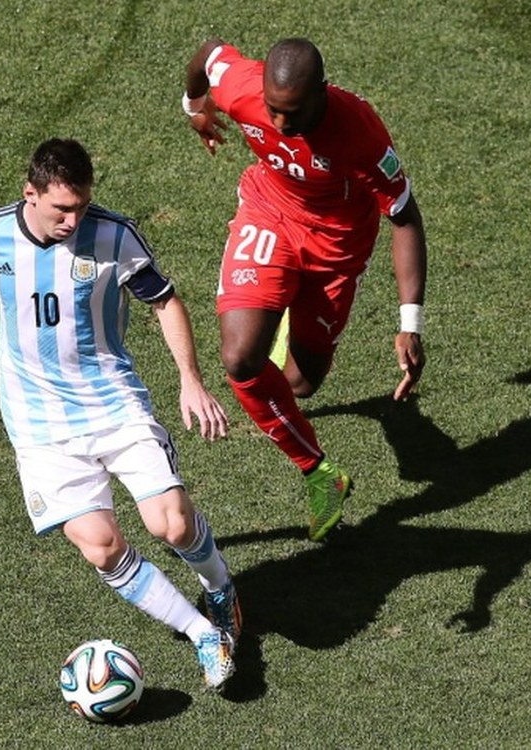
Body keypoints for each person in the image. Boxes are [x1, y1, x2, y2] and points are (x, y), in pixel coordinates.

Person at [0, 138, 241, 690]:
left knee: (171, 524)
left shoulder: (113, 236)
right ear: (30, 194)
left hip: (112, 404)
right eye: (62, 209)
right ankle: (203, 633)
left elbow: (164, 301)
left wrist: (190, 380)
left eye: (81, 206)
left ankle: (220, 586)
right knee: (102, 547)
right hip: (38, 424)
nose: (73, 220)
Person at [181, 37, 429, 541]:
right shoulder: (244, 88)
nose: (280, 123)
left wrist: (410, 322)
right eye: (273, 110)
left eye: (292, 113)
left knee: (299, 384)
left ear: (322, 91)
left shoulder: (360, 132)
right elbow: (208, 54)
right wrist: (195, 107)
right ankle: (319, 472)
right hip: (269, 214)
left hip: (336, 247)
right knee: (241, 359)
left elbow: (405, 217)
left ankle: (285, 311)